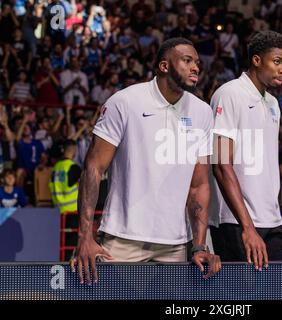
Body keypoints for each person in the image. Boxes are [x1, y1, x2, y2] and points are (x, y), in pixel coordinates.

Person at [71, 38, 221, 284]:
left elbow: (199, 185)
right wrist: (85, 236)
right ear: (164, 66)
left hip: (175, 244)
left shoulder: (202, 112)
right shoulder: (125, 102)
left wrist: (199, 245)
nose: (196, 67)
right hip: (122, 238)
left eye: (197, 62)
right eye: (187, 60)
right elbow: (93, 168)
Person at [209, 31, 282, 270]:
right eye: (277, 62)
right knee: (240, 300)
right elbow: (222, 166)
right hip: (236, 223)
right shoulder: (229, 94)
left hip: (271, 222)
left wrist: (279, 228)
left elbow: (267, 171)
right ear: (256, 60)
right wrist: (248, 228)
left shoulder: (274, 103)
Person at [49, 139, 81, 214]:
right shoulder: (73, 167)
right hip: (72, 211)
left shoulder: (55, 167)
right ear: (74, 150)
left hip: (58, 210)